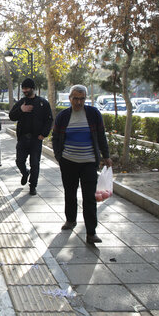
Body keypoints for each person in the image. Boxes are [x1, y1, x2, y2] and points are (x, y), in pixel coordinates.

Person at [51, 84, 113, 245]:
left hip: (89, 163)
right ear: (70, 99)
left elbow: (100, 135)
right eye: (75, 99)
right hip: (69, 162)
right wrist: (60, 156)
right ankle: (70, 220)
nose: (78, 102)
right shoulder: (63, 116)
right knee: (70, 193)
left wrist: (106, 156)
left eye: (82, 99)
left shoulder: (93, 114)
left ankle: (91, 232)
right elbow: (56, 137)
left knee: (90, 198)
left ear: (86, 99)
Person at [9, 78, 53, 195]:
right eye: (23, 88)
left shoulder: (43, 103)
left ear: (33, 88)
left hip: (36, 139)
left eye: (27, 88)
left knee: (35, 164)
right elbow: (12, 116)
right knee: (19, 161)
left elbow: (49, 120)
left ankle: (33, 186)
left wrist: (43, 134)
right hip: (23, 139)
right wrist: (21, 110)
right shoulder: (21, 102)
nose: (24, 90)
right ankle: (25, 172)